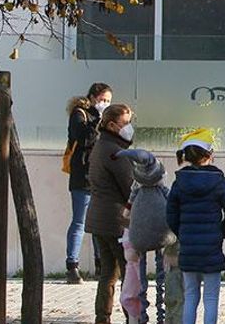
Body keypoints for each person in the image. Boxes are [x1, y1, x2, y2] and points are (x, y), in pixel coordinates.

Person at [166, 128, 225, 324]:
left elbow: (171, 214)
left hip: (188, 246)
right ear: (210, 154)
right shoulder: (219, 181)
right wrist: (221, 232)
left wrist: (182, 233)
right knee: (211, 297)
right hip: (211, 247)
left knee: (190, 295)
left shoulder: (179, 182)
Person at [87, 103, 135, 324]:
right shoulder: (115, 151)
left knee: (108, 272)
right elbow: (129, 185)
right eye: (126, 123)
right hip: (115, 220)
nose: (129, 127)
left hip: (98, 219)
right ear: (113, 125)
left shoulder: (101, 145)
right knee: (128, 273)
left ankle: (102, 317)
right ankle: (132, 317)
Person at [116, 148, 175, 324]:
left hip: (140, 234)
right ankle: (160, 315)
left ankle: (142, 316)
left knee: (141, 277)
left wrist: (125, 215)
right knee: (161, 276)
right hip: (162, 233)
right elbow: (171, 200)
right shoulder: (162, 189)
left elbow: (129, 204)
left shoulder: (137, 189)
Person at [64, 83, 111, 283]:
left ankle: (101, 266)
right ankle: (72, 266)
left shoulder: (104, 118)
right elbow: (84, 138)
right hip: (82, 176)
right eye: (102, 100)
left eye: (108, 101)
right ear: (92, 97)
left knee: (99, 223)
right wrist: (98, 119)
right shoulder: (80, 114)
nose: (105, 104)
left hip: (100, 177)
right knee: (80, 221)